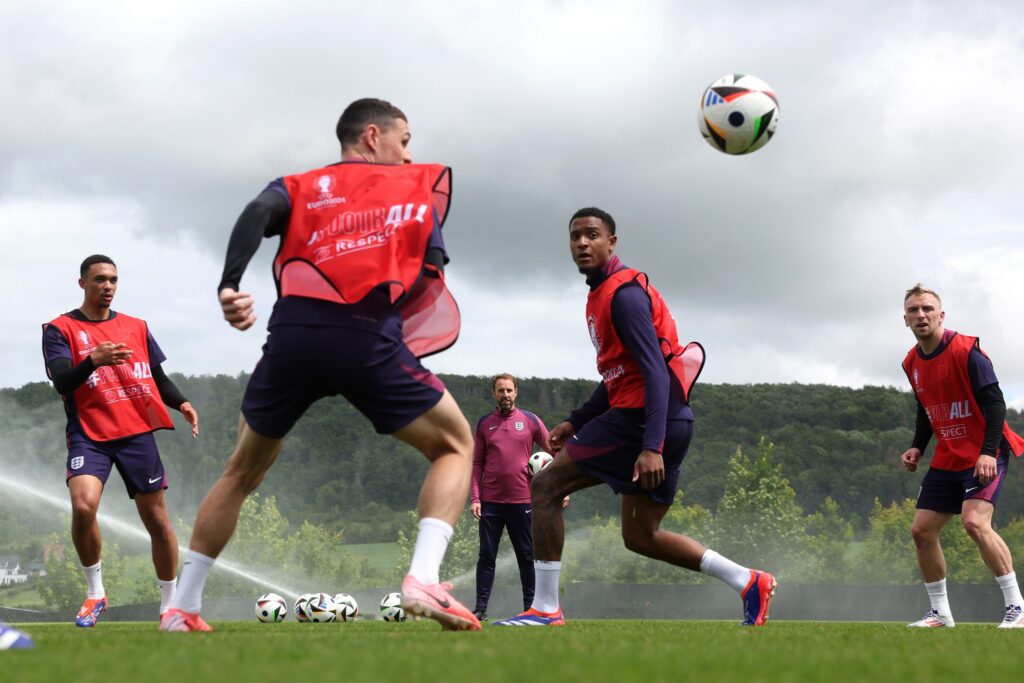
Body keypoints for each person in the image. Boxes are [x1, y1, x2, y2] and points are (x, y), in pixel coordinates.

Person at [160, 98, 479, 632]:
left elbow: (256, 214)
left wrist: (229, 284)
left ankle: (182, 607)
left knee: (242, 469)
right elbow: (431, 270)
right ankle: (423, 576)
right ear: (373, 136)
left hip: (292, 337)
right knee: (455, 444)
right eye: (404, 141)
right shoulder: (411, 188)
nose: (408, 154)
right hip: (365, 336)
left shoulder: (299, 185)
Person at [493, 207, 776, 627]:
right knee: (640, 536)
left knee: (546, 485)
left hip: (643, 421)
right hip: (665, 419)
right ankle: (748, 580)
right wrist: (577, 420)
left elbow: (655, 373)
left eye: (592, 235)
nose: (583, 243)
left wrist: (650, 446)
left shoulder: (623, 295)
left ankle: (546, 608)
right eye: (575, 237)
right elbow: (616, 375)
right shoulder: (602, 294)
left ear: (612, 242)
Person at [42, 255, 199, 627]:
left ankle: (170, 606)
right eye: (99, 279)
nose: (107, 286)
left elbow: (156, 376)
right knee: (83, 508)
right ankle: (95, 592)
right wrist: (94, 360)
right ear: (82, 283)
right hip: (89, 435)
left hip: (136, 435)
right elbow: (62, 382)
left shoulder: (136, 326)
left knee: (158, 521)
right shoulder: (59, 329)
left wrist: (182, 402)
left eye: (113, 279)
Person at [900, 283, 1024, 628]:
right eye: (913, 310)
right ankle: (940, 613)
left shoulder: (967, 351)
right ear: (905, 319)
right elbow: (926, 410)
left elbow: (996, 404)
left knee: (974, 522)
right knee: (921, 531)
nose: (921, 315)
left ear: (941, 315)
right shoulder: (911, 362)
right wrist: (917, 447)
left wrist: (987, 452)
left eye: (927, 309)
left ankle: (1018, 608)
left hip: (987, 450)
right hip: (948, 456)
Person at [470, 373, 552, 620]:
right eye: (500, 390)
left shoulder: (530, 420)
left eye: (509, 390)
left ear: (516, 392)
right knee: (486, 557)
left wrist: (559, 490)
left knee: (527, 556)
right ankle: (481, 609)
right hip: (491, 503)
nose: (505, 395)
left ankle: (530, 609)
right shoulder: (485, 423)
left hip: (523, 501)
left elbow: (553, 452)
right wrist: (475, 498)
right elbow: (477, 463)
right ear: (493, 394)